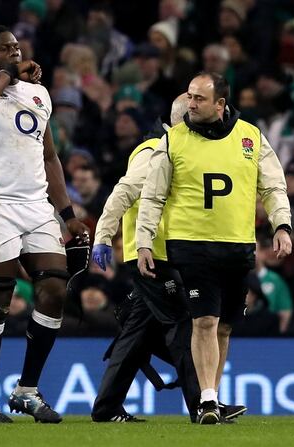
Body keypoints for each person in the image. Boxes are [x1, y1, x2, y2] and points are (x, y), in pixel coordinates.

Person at [136, 72, 292, 424]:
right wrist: (144, 240)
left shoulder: (250, 137)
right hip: (191, 245)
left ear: (220, 104)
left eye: (199, 98)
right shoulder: (173, 140)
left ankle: (213, 398)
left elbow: (273, 186)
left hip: (237, 246)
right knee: (204, 320)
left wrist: (281, 225)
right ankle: (206, 400)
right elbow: (153, 194)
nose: (191, 103)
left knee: (224, 326)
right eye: (189, 97)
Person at [0, 26, 89, 424]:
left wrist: (67, 214)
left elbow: (50, 157)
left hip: (36, 206)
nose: (15, 51)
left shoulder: (39, 95)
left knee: (53, 291)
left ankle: (26, 391)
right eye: (5, 48)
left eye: (17, 46)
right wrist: (11, 74)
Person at [90, 94, 245, 423]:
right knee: (183, 324)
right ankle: (203, 405)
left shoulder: (177, 150)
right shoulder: (153, 150)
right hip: (151, 255)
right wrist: (103, 235)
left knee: (137, 333)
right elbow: (124, 190)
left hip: (162, 253)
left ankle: (106, 408)